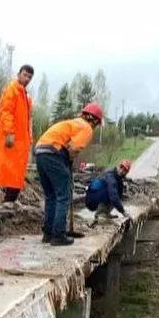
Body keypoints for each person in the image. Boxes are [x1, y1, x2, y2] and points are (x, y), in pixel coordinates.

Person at [34, 103, 104, 246]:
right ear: (95, 120)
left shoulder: (73, 123)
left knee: (51, 195)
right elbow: (73, 148)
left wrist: (66, 160)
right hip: (53, 152)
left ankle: (48, 233)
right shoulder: (86, 128)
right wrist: (70, 160)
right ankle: (58, 235)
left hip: (40, 151)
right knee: (63, 195)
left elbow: (67, 146)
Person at [0, 64, 34, 203]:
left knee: (16, 176)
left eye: (29, 77)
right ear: (18, 74)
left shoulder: (25, 96)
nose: (26, 78)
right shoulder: (12, 90)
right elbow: (6, 112)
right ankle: (8, 203)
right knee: (11, 175)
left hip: (20, 142)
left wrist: (29, 140)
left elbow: (27, 120)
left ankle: (9, 203)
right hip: (13, 140)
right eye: (25, 75)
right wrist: (9, 133)